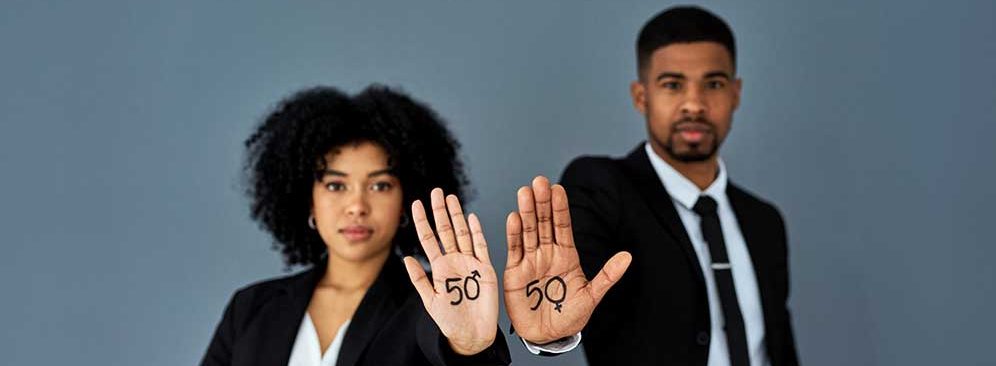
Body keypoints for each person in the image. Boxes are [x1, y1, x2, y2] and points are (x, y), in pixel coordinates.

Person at [503, 6, 800, 366]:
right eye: (672, 85)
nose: (694, 104)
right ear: (641, 96)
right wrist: (552, 332)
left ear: (736, 94)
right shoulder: (601, 188)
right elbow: (571, 298)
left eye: (714, 84)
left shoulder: (764, 221)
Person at [201, 85, 510, 366]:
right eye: (336, 186)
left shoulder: (435, 300)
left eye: (380, 186)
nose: (357, 207)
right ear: (308, 199)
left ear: (406, 198)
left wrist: (467, 348)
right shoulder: (251, 308)